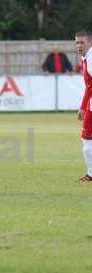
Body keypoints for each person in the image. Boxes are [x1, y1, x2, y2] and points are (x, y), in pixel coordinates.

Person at [75, 30, 92, 182]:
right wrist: (82, 107)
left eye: (82, 42)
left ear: (89, 42)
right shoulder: (86, 58)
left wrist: (86, 107)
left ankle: (91, 174)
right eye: (77, 42)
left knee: (87, 140)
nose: (79, 45)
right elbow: (89, 87)